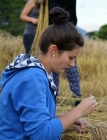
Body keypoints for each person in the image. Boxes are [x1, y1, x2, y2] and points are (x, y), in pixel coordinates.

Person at [0, 7, 98, 139]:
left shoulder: (34, 72)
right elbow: (40, 134)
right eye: (71, 57)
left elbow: (33, 121)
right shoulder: (33, 78)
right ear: (53, 51)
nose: (72, 64)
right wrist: (77, 111)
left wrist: (68, 119)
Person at [20, 0, 82, 105]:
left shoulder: (54, 6)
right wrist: (34, 21)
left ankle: (76, 97)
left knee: (70, 68)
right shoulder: (36, 3)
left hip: (57, 33)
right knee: (51, 66)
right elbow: (23, 15)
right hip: (35, 35)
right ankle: (53, 95)